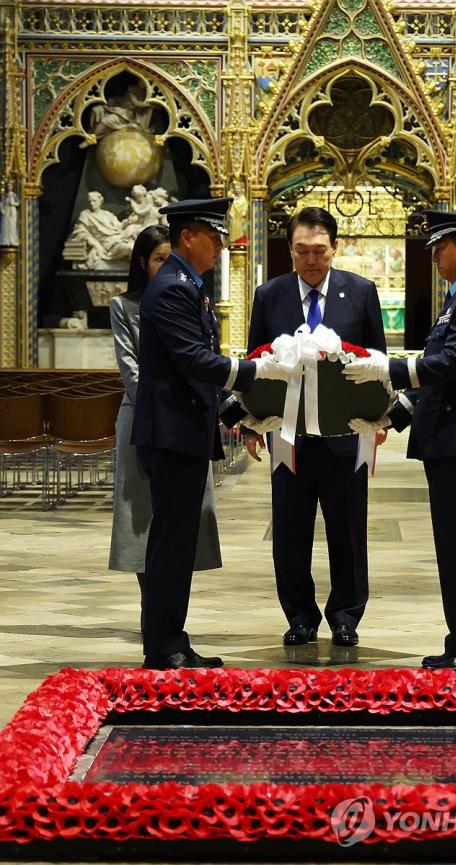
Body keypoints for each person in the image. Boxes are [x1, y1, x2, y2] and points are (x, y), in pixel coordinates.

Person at [131, 198, 289, 670]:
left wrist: (236, 412)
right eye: (214, 236)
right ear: (187, 237)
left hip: (181, 429)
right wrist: (257, 371)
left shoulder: (187, 285)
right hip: (172, 433)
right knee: (171, 544)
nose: (222, 245)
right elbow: (195, 361)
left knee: (178, 543)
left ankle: (170, 640)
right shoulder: (174, 288)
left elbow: (198, 370)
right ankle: (163, 646)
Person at [344, 210, 456, 672]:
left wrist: (386, 368)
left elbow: (450, 364)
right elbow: (433, 380)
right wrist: (389, 417)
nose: (434, 256)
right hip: (447, 437)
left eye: (439, 247)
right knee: (451, 546)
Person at [244, 206, 387, 648]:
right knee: (290, 531)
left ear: (334, 248)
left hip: (346, 435)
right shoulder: (270, 295)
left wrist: (379, 420)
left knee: (347, 531)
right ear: (289, 250)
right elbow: (254, 367)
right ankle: (300, 616)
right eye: (302, 251)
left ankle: (346, 615)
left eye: (320, 251)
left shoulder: (360, 292)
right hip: (289, 437)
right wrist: (250, 426)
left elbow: (377, 362)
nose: (311, 260)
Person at [108, 225, 222, 603]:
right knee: (143, 520)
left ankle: (167, 617)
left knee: (181, 523)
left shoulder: (195, 297)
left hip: (183, 422)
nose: (165, 265)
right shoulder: (124, 306)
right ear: (143, 263)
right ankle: (156, 615)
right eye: (158, 259)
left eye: (167, 257)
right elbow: (134, 374)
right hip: (148, 420)